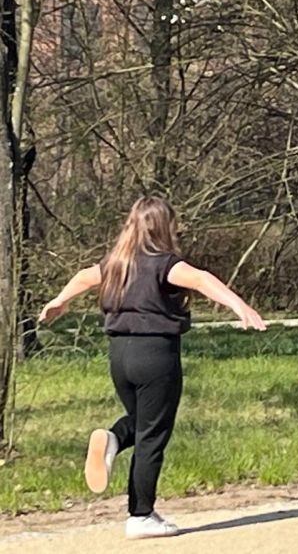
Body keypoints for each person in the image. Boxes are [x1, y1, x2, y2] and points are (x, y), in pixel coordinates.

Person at [38, 197, 267, 539]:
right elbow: (201, 279)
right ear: (164, 226)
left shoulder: (116, 264)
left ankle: (113, 439)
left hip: (119, 357)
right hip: (155, 355)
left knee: (144, 423)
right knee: (152, 435)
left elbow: (85, 276)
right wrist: (239, 305)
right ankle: (141, 515)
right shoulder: (164, 264)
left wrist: (60, 300)